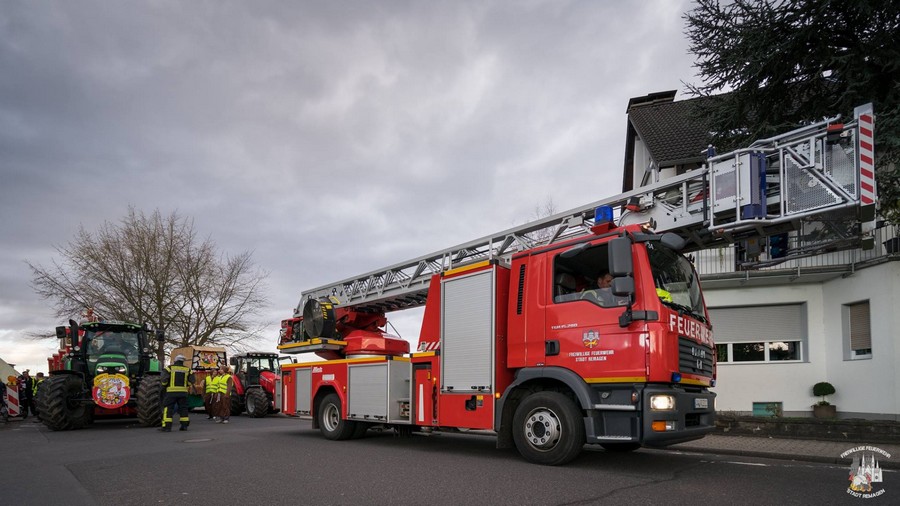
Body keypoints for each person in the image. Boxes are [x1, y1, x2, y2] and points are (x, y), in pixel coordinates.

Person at [160, 355, 194, 432]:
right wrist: (187, 385)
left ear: (175, 360)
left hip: (171, 393)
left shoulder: (169, 368)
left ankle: (167, 427)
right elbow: (192, 381)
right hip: (183, 393)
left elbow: (164, 380)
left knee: (168, 408)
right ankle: (184, 426)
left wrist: (164, 386)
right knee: (183, 408)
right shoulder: (188, 369)